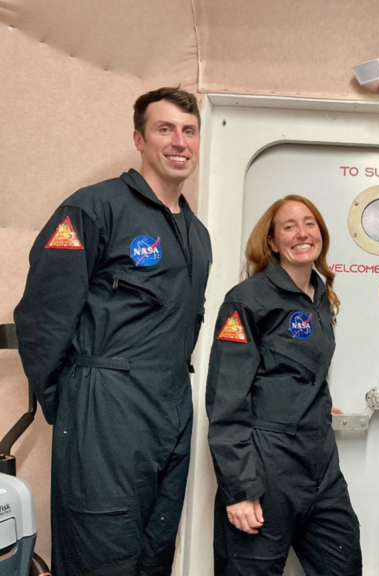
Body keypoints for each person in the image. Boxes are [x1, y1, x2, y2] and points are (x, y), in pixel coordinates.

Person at [13, 87, 212, 575]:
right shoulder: (93, 209)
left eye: (189, 131)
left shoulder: (197, 234)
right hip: (107, 403)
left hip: (171, 404)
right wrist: (76, 402)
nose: (180, 142)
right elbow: (41, 318)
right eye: (165, 129)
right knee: (101, 552)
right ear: (139, 139)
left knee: (154, 551)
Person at [206, 195, 362, 576]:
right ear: (272, 242)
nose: (302, 233)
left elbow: (302, 371)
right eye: (289, 227)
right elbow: (226, 399)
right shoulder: (247, 300)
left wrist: (312, 405)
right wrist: (240, 489)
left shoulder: (320, 296)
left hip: (320, 466)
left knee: (343, 565)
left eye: (309, 223)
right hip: (266, 466)